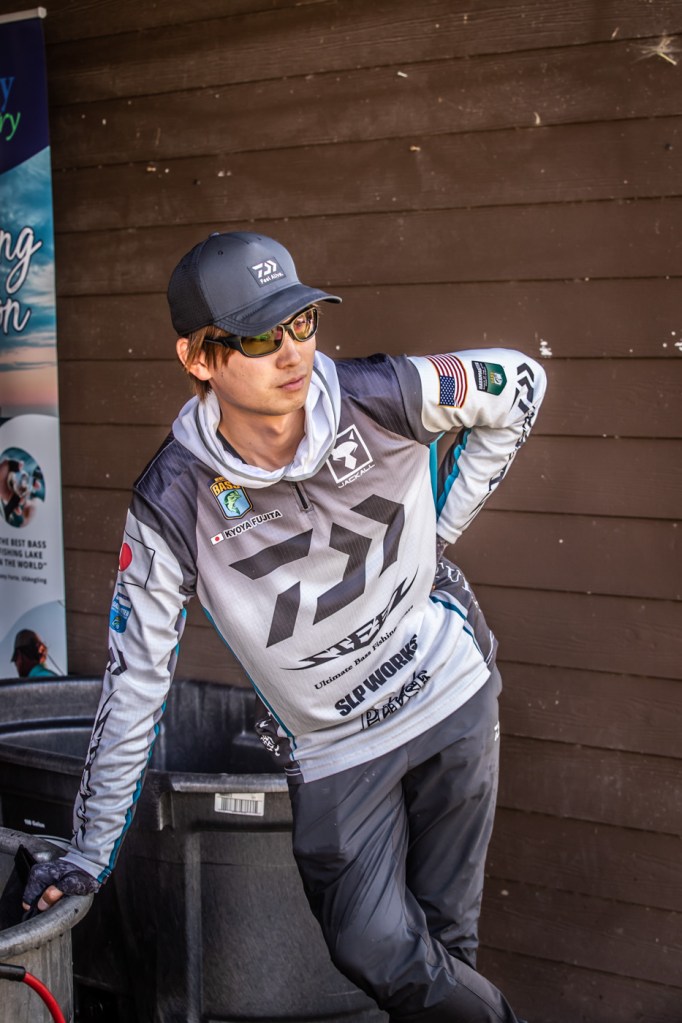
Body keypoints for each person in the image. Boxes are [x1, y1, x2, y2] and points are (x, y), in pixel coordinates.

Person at [23, 231, 546, 1022]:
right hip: (335, 746)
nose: (293, 350)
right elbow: (135, 685)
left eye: (301, 321)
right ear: (198, 358)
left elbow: (521, 383)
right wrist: (90, 854)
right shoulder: (172, 501)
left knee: (445, 946)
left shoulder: (384, 392)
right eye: (260, 336)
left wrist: (438, 530)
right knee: (370, 944)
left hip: (448, 690)